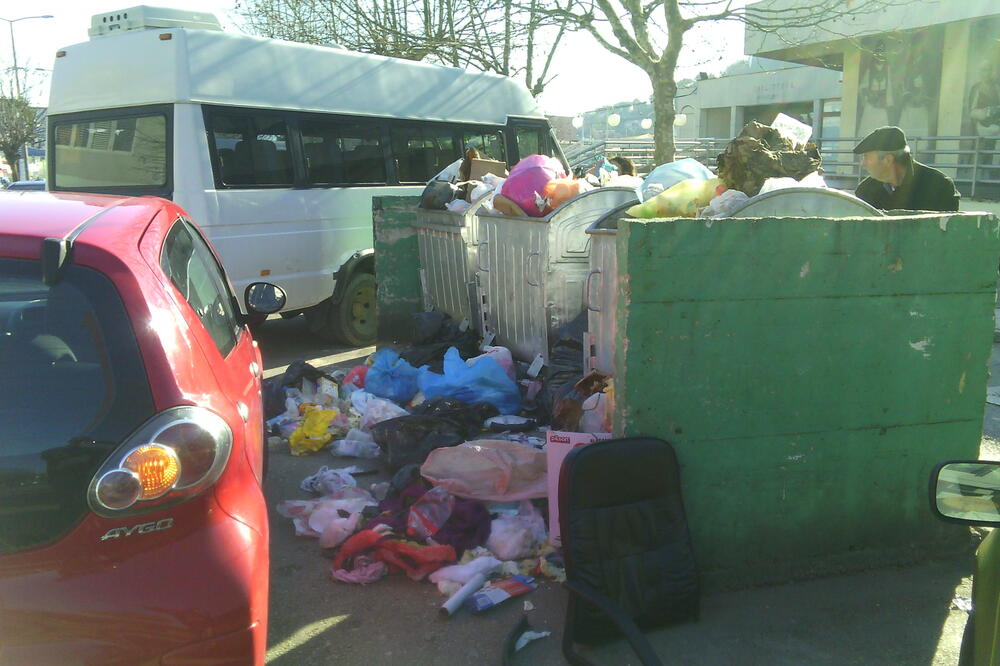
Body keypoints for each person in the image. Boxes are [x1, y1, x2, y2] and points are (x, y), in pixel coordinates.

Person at [853, 126, 959, 212]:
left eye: (866, 157)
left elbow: (949, 228)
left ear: (888, 160)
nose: (863, 163)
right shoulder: (865, 190)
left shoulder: (939, 186)